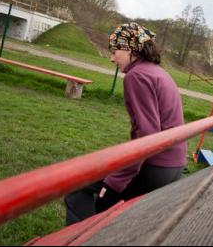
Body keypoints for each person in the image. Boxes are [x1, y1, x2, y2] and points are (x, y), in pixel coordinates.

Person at [65, 22, 186, 225]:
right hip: (173, 165)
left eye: (115, 51)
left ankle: (80, 239)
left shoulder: (136, 76)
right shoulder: (157, 72)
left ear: (131, 49)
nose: (111, 58)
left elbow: (147, 135)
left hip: (154, 166)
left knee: (77, 186)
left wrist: (116, 182)